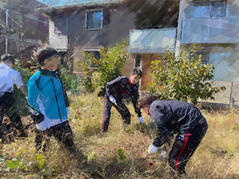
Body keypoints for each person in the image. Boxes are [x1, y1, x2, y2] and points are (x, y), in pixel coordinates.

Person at [138, 95, 208, 178]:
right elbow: (169, 130)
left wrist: (155, 144)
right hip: (198, 125)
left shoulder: (154, 107)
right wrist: (165, 150)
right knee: (180, 160)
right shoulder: (163, 106)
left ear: (146, 105)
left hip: (191, 126)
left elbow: (163, 130)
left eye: (143, 109)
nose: (146, 113)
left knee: (175, 160)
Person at [27, 47, 76, 153]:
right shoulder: (35, 79)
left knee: (70, 147)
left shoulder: (56, 75)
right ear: (44, 61)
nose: (55, 62)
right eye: (52, 59)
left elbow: (62, 93)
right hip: (46, 120)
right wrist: (39, 119)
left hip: (61, 119)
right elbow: (31, 102)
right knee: (42, 151)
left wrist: (66, 106)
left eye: (56, 59)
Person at [102, 68, 143, 132]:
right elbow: (108, 85)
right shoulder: (122, 79)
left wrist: (139, 115)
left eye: (138, 79)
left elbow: (135, 102)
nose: (136, 80)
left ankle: (125, 130)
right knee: (106, 117)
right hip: (109, 98)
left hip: (118, 100)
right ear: (131, 75)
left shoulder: (134, 88)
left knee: (127, 114)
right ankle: (104, 132)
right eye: (135, 77)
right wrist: (110, 96)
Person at [0, 54, 27, 140]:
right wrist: (27, 95)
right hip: (7, 95)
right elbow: (20, 86)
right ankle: (22, 133)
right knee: (13, 115)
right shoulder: (14, 73)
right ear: (9, 62)